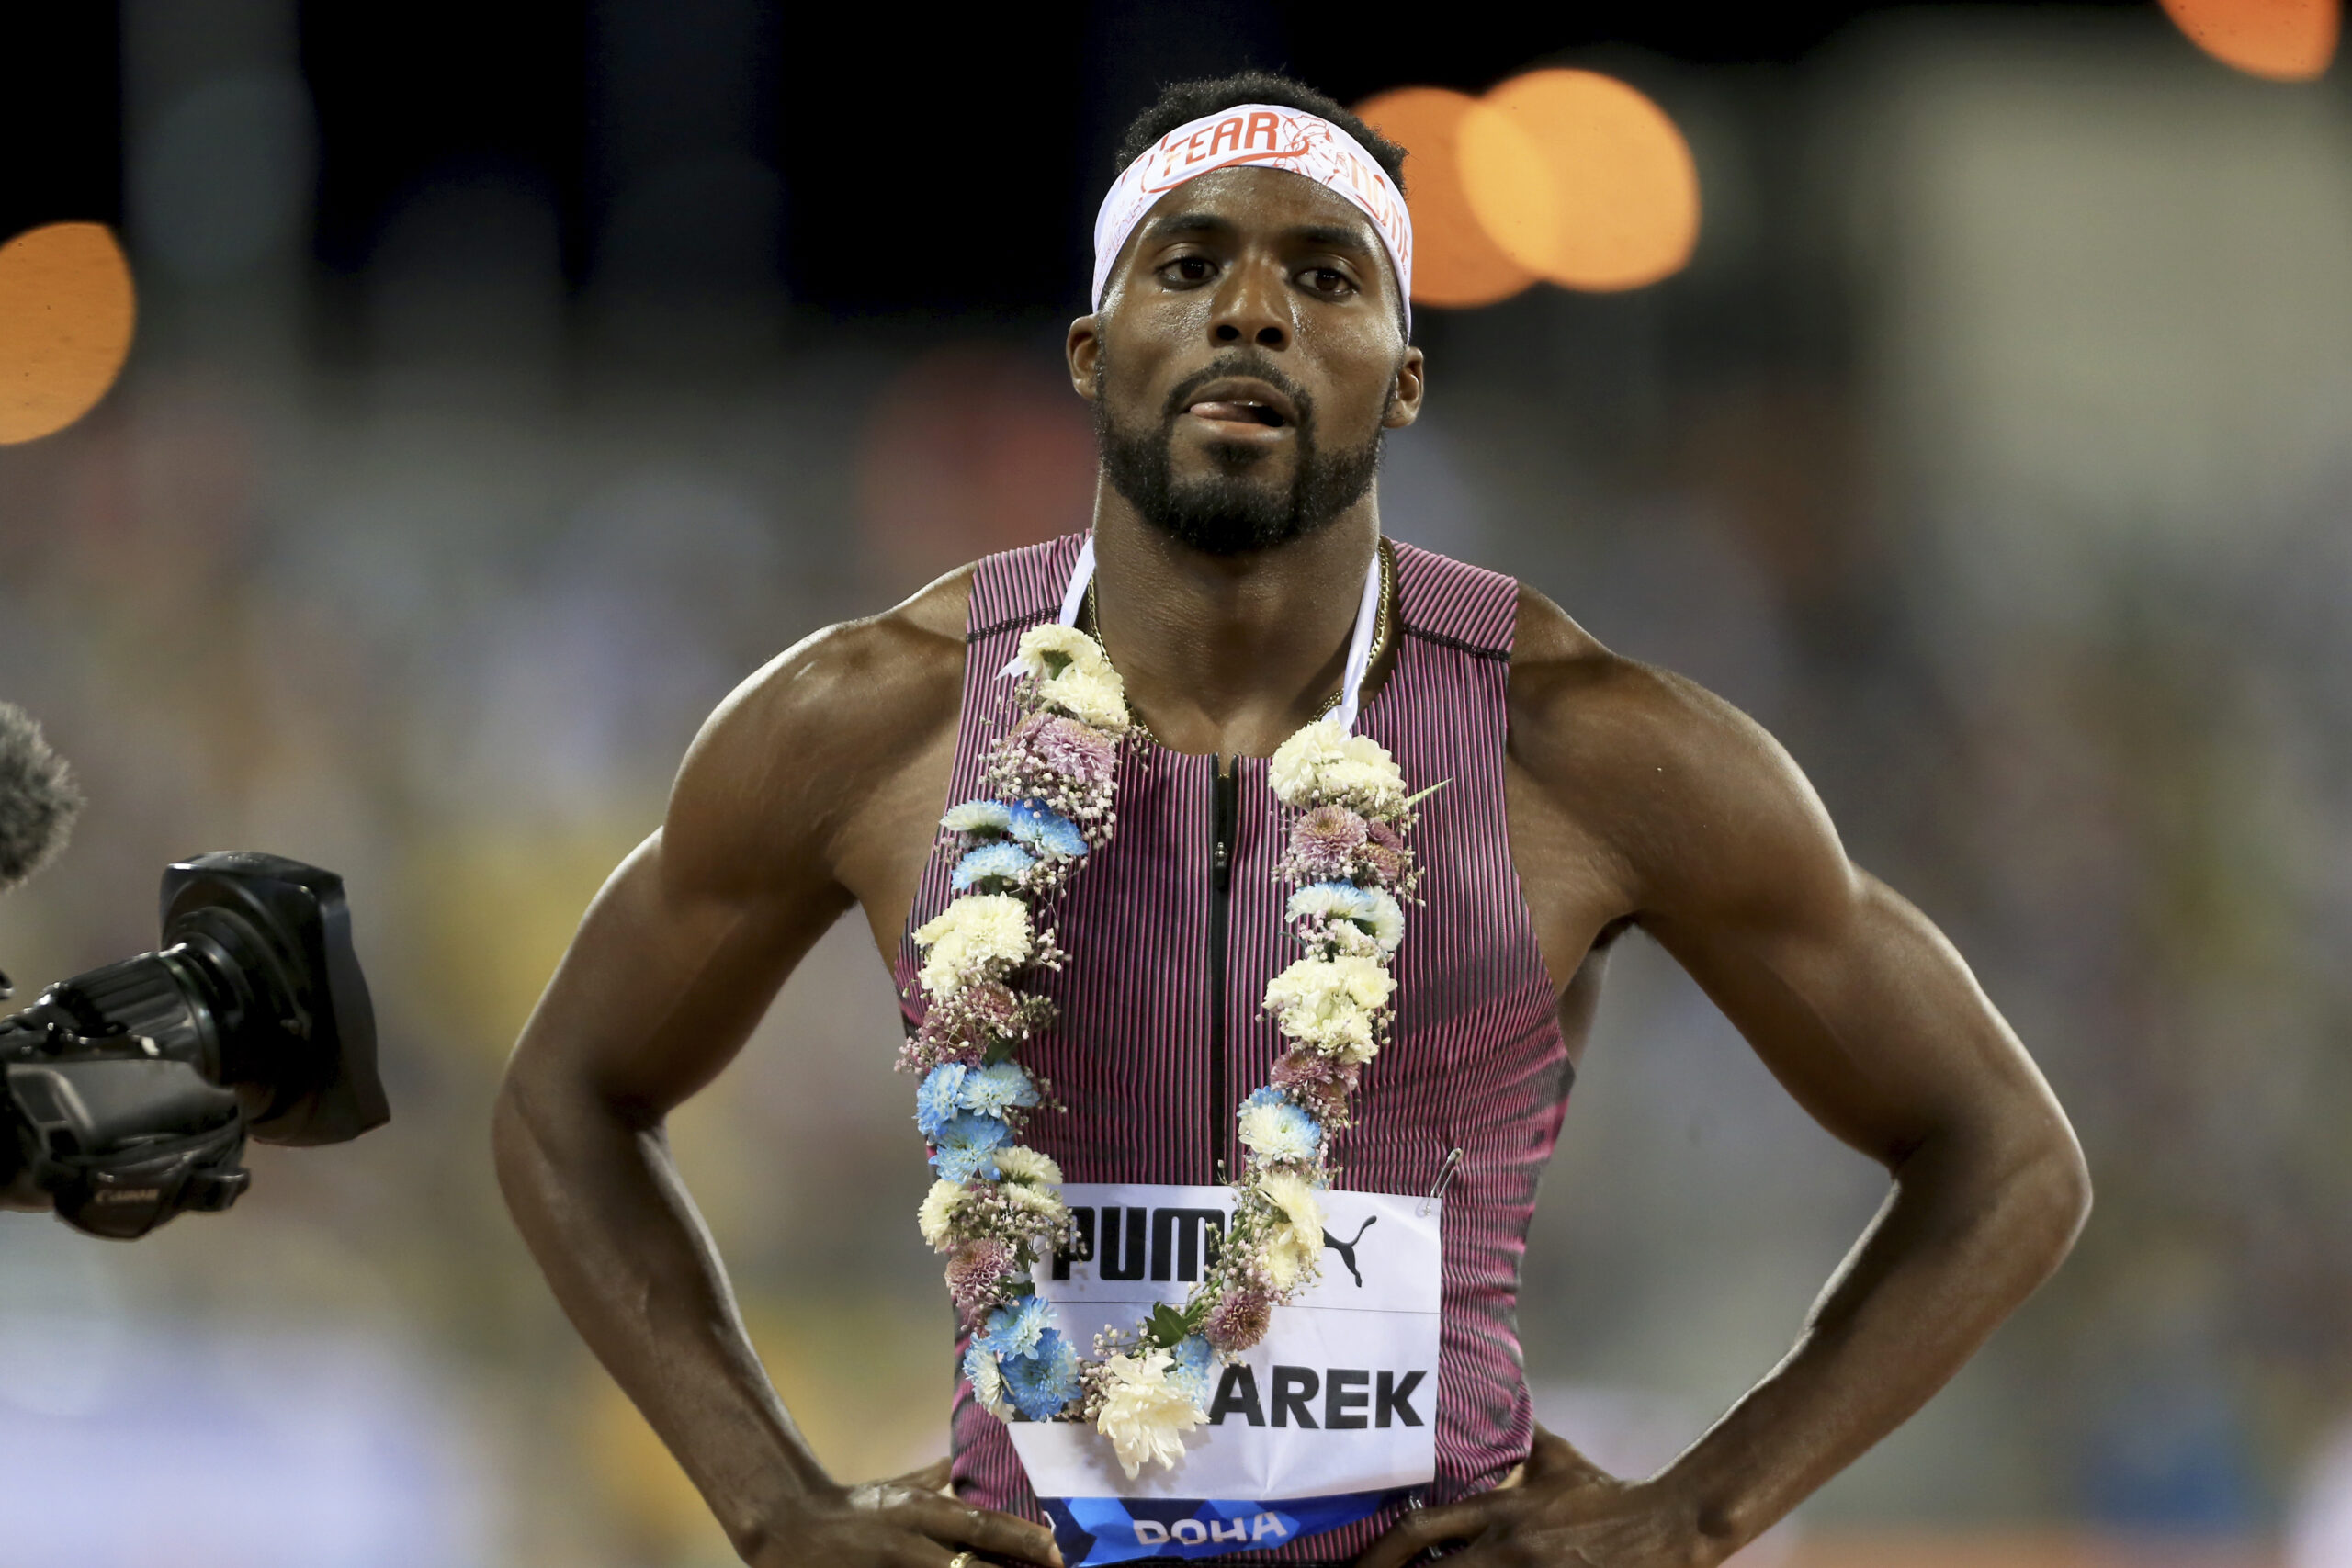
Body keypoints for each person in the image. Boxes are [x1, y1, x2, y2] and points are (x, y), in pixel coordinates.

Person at [494, 71, 2091, 1568]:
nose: (1251, 307)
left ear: (1401, 381)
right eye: (1187, 264)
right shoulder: (874, 718)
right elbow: (564, 1099)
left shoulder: (1585, 745)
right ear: (1088, 347)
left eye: (1326, 276)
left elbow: (2007, 1160)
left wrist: (1698, 1514)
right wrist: (770, 1507)